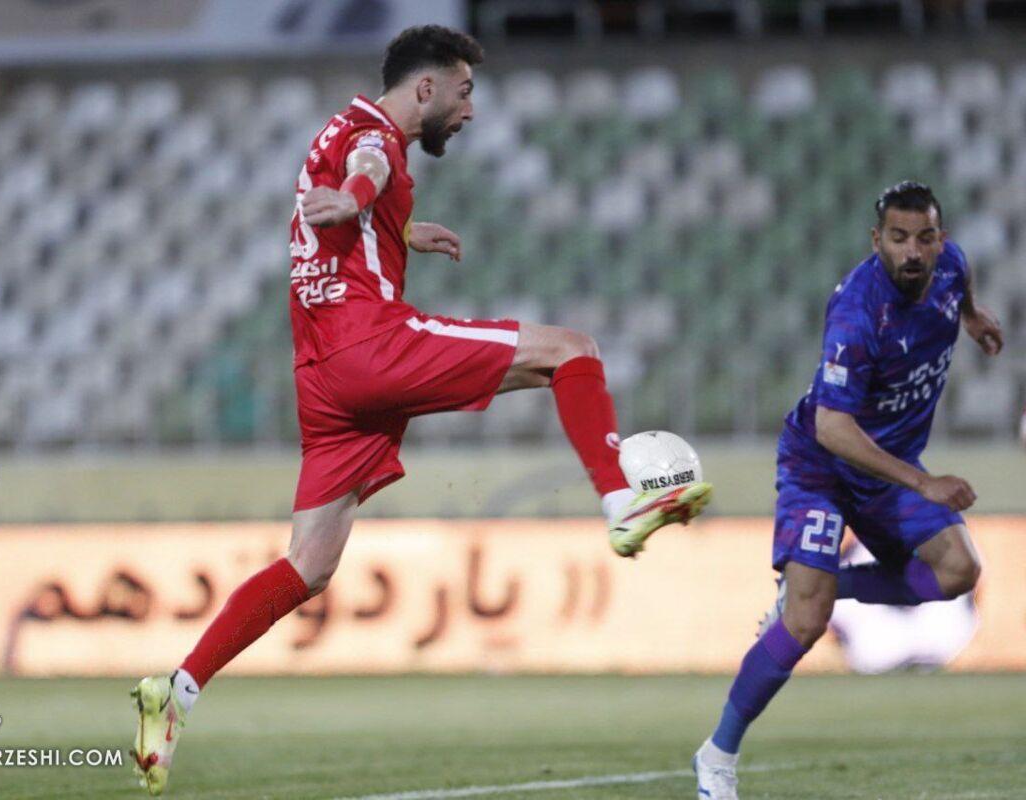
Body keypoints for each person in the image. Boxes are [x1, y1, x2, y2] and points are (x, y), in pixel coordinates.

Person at [129, 24, 711, 796]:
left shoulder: (334, 128)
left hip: (320, 373)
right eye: (463, 93)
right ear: (426, 88)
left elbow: (338, 207)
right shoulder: (375, 138)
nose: (470, 111)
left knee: (309, 565)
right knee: (573, 350)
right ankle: (621, 503)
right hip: (369, 346)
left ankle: (176, 690)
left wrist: (399, 229)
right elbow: (365, 173)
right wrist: (362, 200)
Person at [692, 182, 1003, 799]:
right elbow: (832, 428)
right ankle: (717, 755)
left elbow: (960, 282)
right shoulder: (858, 313)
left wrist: (971, 316)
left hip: (886, 467)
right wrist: (924, 481)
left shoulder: (951, 265)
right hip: (823, 467)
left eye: (924, 238)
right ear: (876, 240)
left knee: (958, 572)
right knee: (806, 624)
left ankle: (828, 585)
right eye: (898, 238)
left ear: (940, 239)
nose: (913, 251)